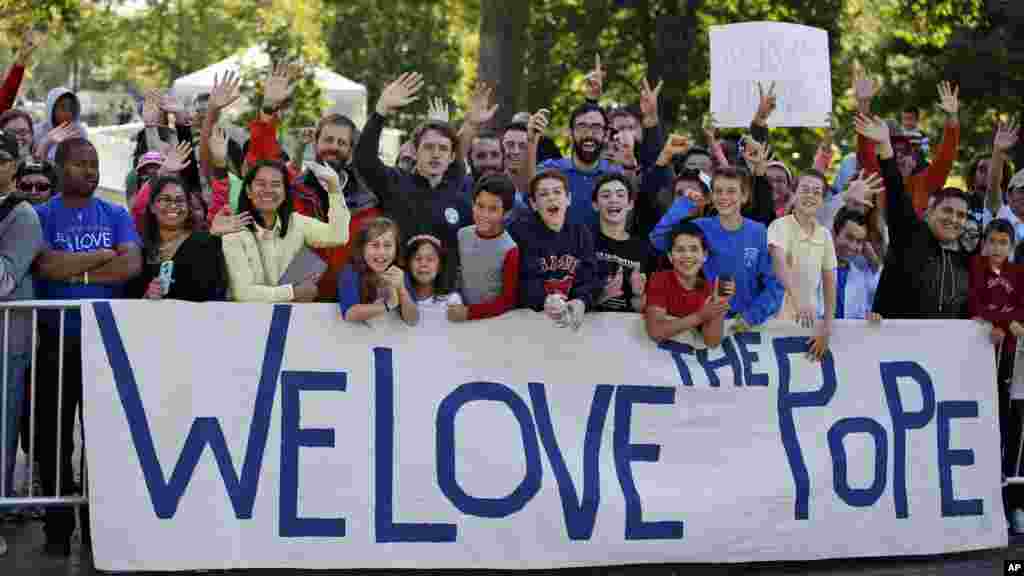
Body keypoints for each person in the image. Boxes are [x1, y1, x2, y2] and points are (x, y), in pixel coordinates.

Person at [33, 137, 143, 556]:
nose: (91, 171)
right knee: (54, 438)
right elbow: (45, 263)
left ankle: (100, 529)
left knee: (104, 437)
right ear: (60, 169)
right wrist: (101, 255)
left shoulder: (116, 212)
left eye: (94, 164)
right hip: (54, 339)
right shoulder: (40, 215)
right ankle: (57, 530)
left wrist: (74, 275)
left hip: (104, 341)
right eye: (80, 164)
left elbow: (130, 265)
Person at [355, 72, 471, 290]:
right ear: (415, 152)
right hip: (396, 297)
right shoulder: (395, 183)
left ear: (452, 157)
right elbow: (364, 160)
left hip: (445, 301)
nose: (436, 154)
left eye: (443, 148)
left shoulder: (459, 191)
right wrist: (381, 110)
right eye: (428, 147)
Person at [856, 114, 971, 319]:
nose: (953, 219)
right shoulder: (910, 233)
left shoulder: (965, 257)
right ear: (930, 211)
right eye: (947, 210)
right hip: (893, 344)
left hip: (945, 347)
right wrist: (884, 146)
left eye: (961, 215)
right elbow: (895, 191)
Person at [651, 166, 784, 329]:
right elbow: (658, 240)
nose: (724, 197)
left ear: (744, 196)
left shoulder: (759, 232)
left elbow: (775, 284)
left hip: (745, 326)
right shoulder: (700, 227)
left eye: (731, 191)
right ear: (712, 196)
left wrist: (751, 317)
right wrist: (684, 205)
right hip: (706, 323)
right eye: (718, 191)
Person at [0, 130, 43, 559]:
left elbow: (5, 280)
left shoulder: (24, 216)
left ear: (14, 165)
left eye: (1, 159)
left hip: (6, 339)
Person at [222, 160, 350, 302]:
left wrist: (334, 189)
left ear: (284, 192)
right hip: (246, 319)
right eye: (261, 184)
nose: (268, 190)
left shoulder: (296, 223)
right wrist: (293, 292)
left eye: (276, 185)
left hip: (288, 318)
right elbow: (244, 294)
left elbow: (338, 236)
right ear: (248, 191)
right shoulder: (234, 231)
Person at [966, 219, 1024, 531]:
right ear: (984, 242)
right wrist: (998, 321)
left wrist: (1001, 319)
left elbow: (1022, 309)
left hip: (1012, 363)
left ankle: (1012, 502)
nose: (998, 248)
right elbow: (974, 303)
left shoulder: (1018, 274)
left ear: (1011, 247)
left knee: (1012, 428)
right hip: (980, 359)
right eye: (993, 241)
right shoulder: (976, 267)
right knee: (985, 423)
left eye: (1004, 242)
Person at [855, 78, 961, 216]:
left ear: (913, 160)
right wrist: (864, 105)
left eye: (904, 151)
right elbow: (864, 149)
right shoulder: (877, 179)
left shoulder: (924, 182)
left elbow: (945, 158)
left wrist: (952, 117)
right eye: (894, 151)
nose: (898, 156)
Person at [509, 170, 599, 329]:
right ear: (533, 204)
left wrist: (581, 301)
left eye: (557, 192)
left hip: (571, 321)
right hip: (530, 322)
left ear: (568, 199)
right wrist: (544, 299)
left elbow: (590, 276)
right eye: (543, 194)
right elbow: (519, 280)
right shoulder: (520, 232)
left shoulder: (581, 232)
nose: (551, 197)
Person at [767, 170, 838, 360]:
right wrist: (798, 300)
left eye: (816, 192)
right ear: (794, 193)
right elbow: (779, 265)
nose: (810, 195)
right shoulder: (779, 226)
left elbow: (830, 284)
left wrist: (827, 328)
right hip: (776, 322)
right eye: (805, 189)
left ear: (822, 199)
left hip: (809, 325)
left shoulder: (824, 235)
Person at [126, 175, 230, 301]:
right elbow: (130, 301)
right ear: (152, 207)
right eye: (165, 199)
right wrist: (147, 296)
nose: (173, 205)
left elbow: (215, 294)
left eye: (180, 200)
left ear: (188, 208)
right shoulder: (142, 252)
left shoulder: (208, 243)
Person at [644, 221, 731, 346]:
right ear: (670, 256)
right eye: (680, 250)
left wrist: (719, 306)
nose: (688, 255)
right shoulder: (660, 279)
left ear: (704, 255)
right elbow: (655, 332)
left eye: (694, 249)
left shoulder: (709, 289)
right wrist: (700, 317)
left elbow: (712, 342)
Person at [449, 174, 519, 322]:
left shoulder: (510, 250)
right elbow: (457, 275)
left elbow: (507, 302)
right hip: (462, 318)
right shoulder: (462, 235)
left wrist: (469, 312)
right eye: (480, 206)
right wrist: (455, 297)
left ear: (506, 213)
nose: (484, 214)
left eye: (493, 209)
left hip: (493, 322)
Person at [337, 217, 417, 325]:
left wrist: (401, 288)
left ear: (396, 249)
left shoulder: (399, 273)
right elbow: (349, 314)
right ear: (362, 248)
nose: (381, 252)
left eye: (388, 245)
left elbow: (412, 320)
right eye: (375, 245)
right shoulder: (351, 271)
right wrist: (388, 304)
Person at [592, 173, 652, 313]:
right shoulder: (584, 241)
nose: (614, 200)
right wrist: (604, 295)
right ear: (595, 205)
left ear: (630, 204)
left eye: (620, 195)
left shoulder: (642, 248)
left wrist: (639, 294)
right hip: (588, 327)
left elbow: (641, 308)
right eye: (606, 196)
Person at [829, 207, 882, 320]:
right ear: (834, 234)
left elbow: (861, 316)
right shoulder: (812, 266)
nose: (853, 246)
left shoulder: (860, 278)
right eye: (849, 237)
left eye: (859, 241)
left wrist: (869, 318)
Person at [406, 235, 461, 327]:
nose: (423, 264)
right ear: (408, 264)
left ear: (439, 266)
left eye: (430, 259)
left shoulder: (452, 300)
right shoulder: (400, 299)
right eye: (418, 258)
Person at [33, 87, 89, 162]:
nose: (68, 113)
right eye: (63, 107)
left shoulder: (79, 132)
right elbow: (34, 164)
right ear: (51, 109)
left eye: (71, 108)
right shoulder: (37, 131)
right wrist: (47, 142)